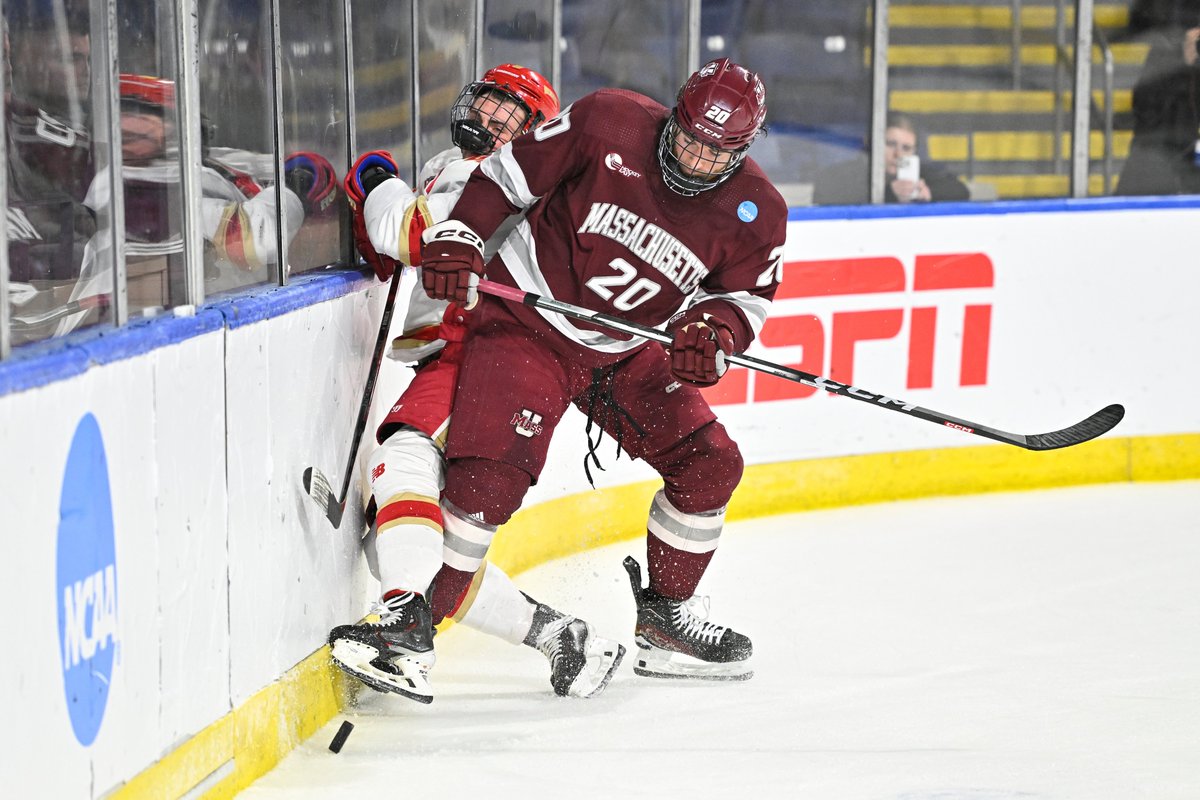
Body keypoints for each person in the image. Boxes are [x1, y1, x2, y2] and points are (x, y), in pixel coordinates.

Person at [363, 57, 787, 688]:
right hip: (526, 324)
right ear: (675, 113)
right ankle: (406, 629)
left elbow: (744, 298)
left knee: (711, 462)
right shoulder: (607, 121)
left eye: (714, 151)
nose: (696, 158)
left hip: (623, 349)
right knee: (484, 490)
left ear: (744, 149)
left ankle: (666, 619)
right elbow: (506, 180)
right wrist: (459, 233)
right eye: (690, 137)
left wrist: (712, 333)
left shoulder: (759, 210)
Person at [327, 64, 626, 704]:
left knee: (404, 455)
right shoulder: (455, 164)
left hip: (480, 348)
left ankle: (405, 630)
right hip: (476, 348)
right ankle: (559, 635)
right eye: (489, 105)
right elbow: (392, 252)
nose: (492, 122)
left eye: (511, 119)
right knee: (406, 540)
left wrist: (378, 181)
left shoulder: (489, 179)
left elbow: (406, 233)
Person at [1115, 21, 1200, 195]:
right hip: (1155, 163)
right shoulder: (1164, 55)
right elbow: (1146, 110)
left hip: (1185, 166)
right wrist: (1184, 63)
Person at [811, 112, 970, 205]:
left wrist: (928, 193)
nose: (898, 154)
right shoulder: (838, 175)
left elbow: (961, 190)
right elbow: (827, 194)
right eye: (890, 144)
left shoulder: (919, 174)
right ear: (870, 142)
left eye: (906, 148)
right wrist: (890, 194)